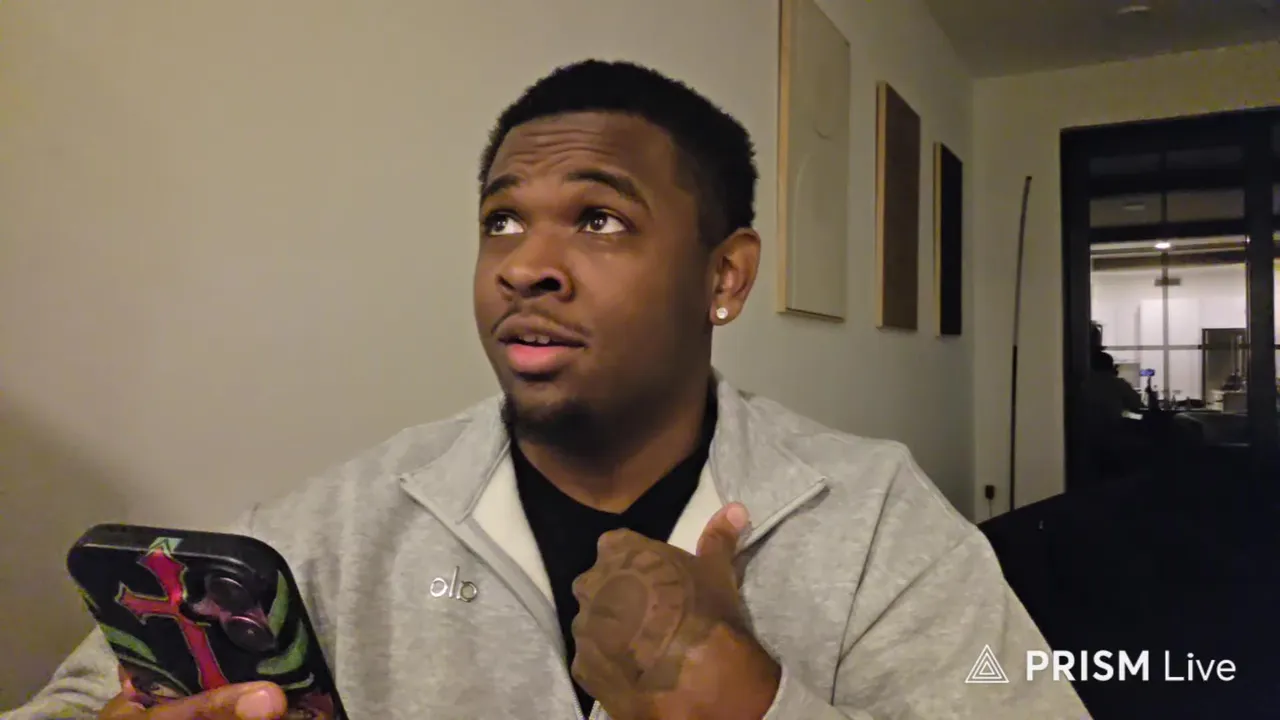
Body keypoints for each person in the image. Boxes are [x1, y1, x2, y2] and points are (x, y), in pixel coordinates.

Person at [4, 60, 1087, 720]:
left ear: (724, 276)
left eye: (599, 218)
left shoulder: (872, 520)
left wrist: (753, 710)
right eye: (501, 220)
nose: (523, 264)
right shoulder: (340, 525)